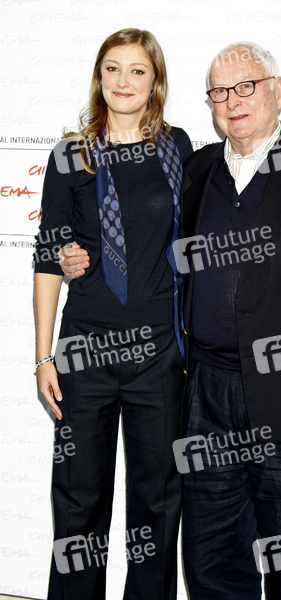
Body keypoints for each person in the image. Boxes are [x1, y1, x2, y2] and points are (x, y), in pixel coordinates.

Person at [60, 42, 281, 600]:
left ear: (277, 91)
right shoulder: (196, 167)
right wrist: (74, 251)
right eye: (220, 92)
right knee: (212, 565)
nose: (233, 101)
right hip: (203, 398)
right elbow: (139, 228)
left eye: (247, 86)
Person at [34, 28, 192, 600]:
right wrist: (43, 357)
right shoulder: (70, 154)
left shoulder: (178, 148)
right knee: (78, 502)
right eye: (112, 68)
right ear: (99, 77)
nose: (124, 81)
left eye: (137, 70)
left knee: (159, 504)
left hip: (160, 354)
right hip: (84, 352)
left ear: (155, 82)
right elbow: (49, 256)